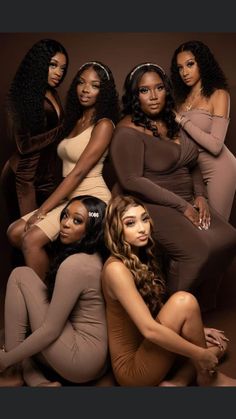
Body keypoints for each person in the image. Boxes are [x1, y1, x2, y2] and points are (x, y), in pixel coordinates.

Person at [109, 62, 236, 311]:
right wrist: (182, 206)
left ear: (167, 90)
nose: (154, 96)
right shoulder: (127, 131)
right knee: (196, 250)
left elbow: (193, 164)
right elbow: (131, 180)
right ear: (135, 95)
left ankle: (198, 305)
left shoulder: (174, 122)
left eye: (159, 88)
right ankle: (171, 312)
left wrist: (200, 197)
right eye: (144, 91)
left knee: (229, 238)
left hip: (188, 198)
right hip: (153, 202)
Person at [101, 194, 235, 387]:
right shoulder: (116, 269)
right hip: (133, 371)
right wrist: (199, 352)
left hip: (150, 348)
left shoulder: (142, 255)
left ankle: (178, 382)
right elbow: (149, 329)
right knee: (183, 301)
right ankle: (209, 378)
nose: (142, 228)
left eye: (144, 219)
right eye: (130, 223)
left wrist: (197, 330)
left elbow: (155, 312)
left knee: (219, 344)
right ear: (116, 229)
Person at [7, 60, 120, 279]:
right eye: (81, 83)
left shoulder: (104, 125)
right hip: (70, 197)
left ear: (103, 91)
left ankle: (45, 304)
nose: (85, 89)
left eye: (94, 85)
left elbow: (77, 173)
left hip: (91, 198)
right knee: (14, 233)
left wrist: (42, 211)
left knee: (30, 240)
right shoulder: (75, 120)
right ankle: (57, 284)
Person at [0, 195, 108, 387]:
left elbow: (51, 330)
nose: (65, 224)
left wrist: (6, 359)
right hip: (98, 360)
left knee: (20, 275)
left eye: (77, 221)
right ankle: (39, 383)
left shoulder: (75, 264)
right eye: (65, 216)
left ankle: (11, 370)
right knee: (26, 339)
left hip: (80, 358)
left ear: (92, 229)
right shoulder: (95, 256)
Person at [0, 38, 69, 222]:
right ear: (39, 63)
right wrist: (62, 129)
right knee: (26, 237)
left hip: (45, 179)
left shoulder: (52, 92)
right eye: (53, 65)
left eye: (62, 68)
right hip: (22, 180)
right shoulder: (21, 97)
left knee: (47, 237)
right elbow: (24, 146)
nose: (58, 73)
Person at [170, 40, 236, 221]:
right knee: (198, 225)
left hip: (220, 168)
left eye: (190, 64)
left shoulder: (219, 94)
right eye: (180, 67)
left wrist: (181, 120)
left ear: (203, 63)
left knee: (216, 227)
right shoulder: (182, 101)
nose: (184, 72)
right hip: (193, 171)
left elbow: (215, 146)